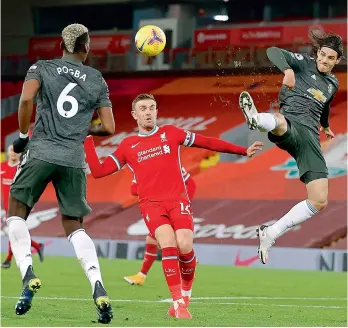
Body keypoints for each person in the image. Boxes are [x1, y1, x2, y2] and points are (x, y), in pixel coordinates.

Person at [84, 93, 263, 319]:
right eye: (143, 109)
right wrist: (87, 139)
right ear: (135, 115)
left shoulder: (171, 133)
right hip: (151, 205)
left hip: (177, 200)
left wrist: (241, 150)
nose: (148, 112)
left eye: (151, 107)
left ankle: (185, 296)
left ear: (157, 111)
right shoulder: (128, 145)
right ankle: (178, 303)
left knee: (185, 246)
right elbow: (99, 171)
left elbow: (206, 142)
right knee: (168, 244)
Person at [7, 23, 115, 323]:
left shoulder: (41, 68)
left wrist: (24, 130)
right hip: (72, 159)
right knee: (74, 226)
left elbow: (27, 99)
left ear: (61, 45)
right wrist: (84, 128)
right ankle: (98, 286)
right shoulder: (96, 79)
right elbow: (109, 127)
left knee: (16, 211)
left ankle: (28, 272)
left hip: (41, 151)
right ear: (87, 48)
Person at [238, 29, 343, 264]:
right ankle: (256, 119)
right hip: (292, 122)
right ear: (317, 53)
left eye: (330, 58)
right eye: (322, 55)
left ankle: (271, 233)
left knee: (319, 200)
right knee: (280, 122)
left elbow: (325, 104)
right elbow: (273, 51)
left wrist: (325, 125)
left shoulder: (333, 82)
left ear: (337, 61)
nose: (324, 61)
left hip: (310, 139)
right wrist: (287, 70)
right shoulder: (303, 63)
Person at [124, 167, 196, 286]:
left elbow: (191, 185)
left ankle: (188, 265)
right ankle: (142, 275)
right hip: (157, 207)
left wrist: (185, 203)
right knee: (153, 239)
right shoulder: (142, 167)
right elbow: (133, 190)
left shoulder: (172, 164)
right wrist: (154, 187)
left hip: (174, 207)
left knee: (161, 240)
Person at [1, 145, 44, 269]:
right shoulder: (2, 167)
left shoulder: (22, 168)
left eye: (16, 151)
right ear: (7, 153)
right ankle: (37, 246)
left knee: (14, 232)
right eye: (11, 150)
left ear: (20, 154)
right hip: (7, 206)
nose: (14, 153)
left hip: (19, 205)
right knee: (17, 233)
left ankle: (8, 260)